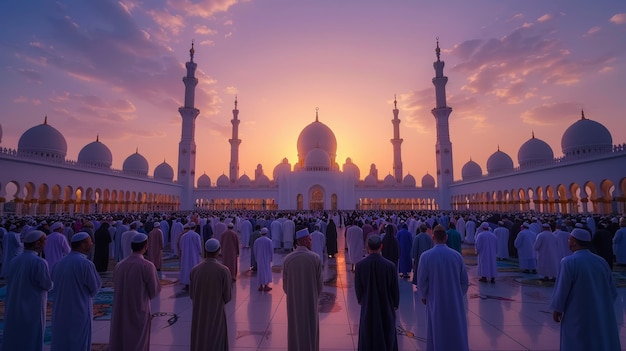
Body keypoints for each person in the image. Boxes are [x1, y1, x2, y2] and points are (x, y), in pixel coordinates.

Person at [550, 228, 621, 351]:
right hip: (600, 311)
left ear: (574, 241)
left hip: (577, 312)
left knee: (577, 340)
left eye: (569, 239)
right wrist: (601, 306)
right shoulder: (601, 261)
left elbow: (562, 288)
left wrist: (558, 308)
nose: (568, 241)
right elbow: (612, 291)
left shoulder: (568, 262)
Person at [418, 225, 469, 351]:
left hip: (435, 299)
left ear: (433, 237)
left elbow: (422, 281)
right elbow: (464, 281)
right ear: (446, 238)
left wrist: (423, 296)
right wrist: (457, 294)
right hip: (454, 301)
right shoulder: (456, 256)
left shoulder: (426, 256)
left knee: (437, 327)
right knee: (455, 328)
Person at [110, 233, 162, 350]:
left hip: (120, 309)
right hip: (138, 310)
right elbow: (154, 290)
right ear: (145, 246)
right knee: (138, 340)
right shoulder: (147, 266)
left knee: (122, 337)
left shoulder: (119, 265)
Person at [50, 232, 102, 350]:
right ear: (83, 245)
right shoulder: (85, 264)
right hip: (79, 309)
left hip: (60, 310)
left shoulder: (59, 263)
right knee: (79, 340)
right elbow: (94, 288)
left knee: (62, 339)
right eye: (89, 242)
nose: (92, 244)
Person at [3, 230, 53, 351]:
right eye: (44, 241)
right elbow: (46, 284)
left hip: (15, 303)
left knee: (17, 332)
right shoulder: (39, 262)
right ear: (37, 244)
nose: (45, 244)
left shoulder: (15, 260)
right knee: (32, 333)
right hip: (33, 305)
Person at [355, 234, 399, 351]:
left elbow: (358, 289)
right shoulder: (390, 266)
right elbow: (395, 289)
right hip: (386, 305)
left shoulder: (360, 266)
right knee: (386, 331)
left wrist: (361, 300)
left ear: (368, 247)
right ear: (381, 246)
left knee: (368, 331)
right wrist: (395, 304)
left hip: (368, 304)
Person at [282, 228, 323, 351]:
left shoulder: (288, 259)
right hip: (310, 301)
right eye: (310, 240)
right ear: (304, 241)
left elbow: (285, 287)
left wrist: (295, 293)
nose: (311, 242)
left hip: (294, 303)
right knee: (310, 329)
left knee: (295, 329)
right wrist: (313, 295)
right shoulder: (315, 258)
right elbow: (320, 286)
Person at [189, 238, 232, 351]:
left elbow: (192, 294)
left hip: (199, 313)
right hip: (216, 313)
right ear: (218, 251)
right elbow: (227, 296)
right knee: (216, 337)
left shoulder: (195, 270)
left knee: (200, 337)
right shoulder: (223, 270)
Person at [179, 222, 203, 290]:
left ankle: (186, 283)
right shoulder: (196, 235)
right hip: (194, 255)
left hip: (185, 255)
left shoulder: (184, 236)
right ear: (195, 227)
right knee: (194, 268)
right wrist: (200, 252)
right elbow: (199, 246)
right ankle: (194, 282)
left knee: (186, 268)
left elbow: (180, 247)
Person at [254, 227, 274, 291]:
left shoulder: (257, 241)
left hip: (259, 258)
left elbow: (255, 250)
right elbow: (271, 250)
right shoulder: (269, 241)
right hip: (267, 258)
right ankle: (265, 285)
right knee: (266, 271)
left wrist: (256, 257)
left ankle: (260, 286)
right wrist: (271, 258)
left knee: (260, 271)